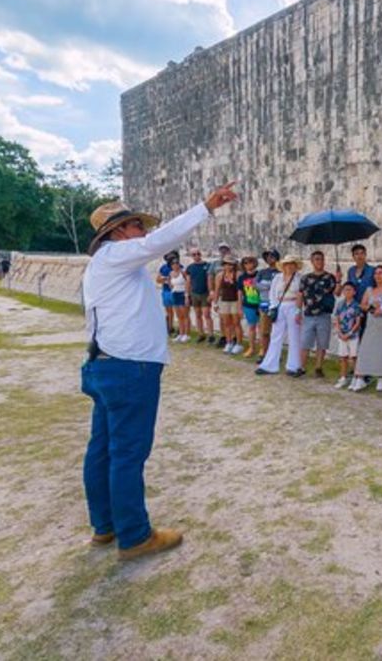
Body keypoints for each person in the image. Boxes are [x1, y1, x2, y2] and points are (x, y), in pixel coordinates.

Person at [80, 183, 237, 561]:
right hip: (128, 367)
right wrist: (206, 207)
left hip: (107, 364)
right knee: (127, 454)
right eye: (136, 226)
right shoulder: (116, 254)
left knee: (102, 450)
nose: (144, 232)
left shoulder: (110, 264)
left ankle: (106, 526)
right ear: (117, 232)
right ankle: (134, 535)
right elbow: (158, 242)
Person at [256, 255, 304, 376]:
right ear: (283, 266)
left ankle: (293, 366)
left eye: (291, 264)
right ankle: (270, 365)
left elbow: (301, 295)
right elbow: (272, 293)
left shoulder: (299, 278)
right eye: (287, 264)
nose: (289, 266)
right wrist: (273, 307)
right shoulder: (277, 278)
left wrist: (299, 310)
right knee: (276, 335)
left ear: (295, 266)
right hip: (280, 305)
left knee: (294, 336)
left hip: (293, 306)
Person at [354, 265, 382, 392]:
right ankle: (360, 378)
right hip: (372, 322)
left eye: (380, 273)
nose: (378, 276)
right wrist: (372, 308)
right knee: (365, 349)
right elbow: (362, 304)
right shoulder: (369, 290)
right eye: (376, 273)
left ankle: (381, 378)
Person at [300, 250, 338, 379]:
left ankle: (318, 368)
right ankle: (302, 367)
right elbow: (300, 295)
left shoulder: (330, 277)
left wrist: (338, 281)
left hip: (324, 314)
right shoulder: (305, 278)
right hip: (309, 314)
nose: (319, 262)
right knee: (305, 342)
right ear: (312, 261)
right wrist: (297, 311)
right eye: (316, 259)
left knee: (322, 343)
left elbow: (337, 293)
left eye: (321, 259)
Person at [333, 281, 364, 389]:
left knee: (354, 357)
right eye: (345, 289)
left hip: (353, 335)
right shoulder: (340, 304)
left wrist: (350, 333)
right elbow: (336, 318)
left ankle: (357, 378)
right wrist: (339, 332)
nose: (347, 292)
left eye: (350, 290)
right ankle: (343, 377)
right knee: (343, 357)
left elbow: (358, 321)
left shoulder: (356, 305)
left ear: (354, 292)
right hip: (342, 334)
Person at [207, 243, 236, 348]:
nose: (223, 251)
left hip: (233, 295)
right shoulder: (215, 264)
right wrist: (211, 292)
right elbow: (210, 277)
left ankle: (233, 337)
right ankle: (224, 336)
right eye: (221, 249)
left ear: (229, 250)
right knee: (222, 318)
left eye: (225, 249)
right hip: (220, 294)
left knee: (233, 318)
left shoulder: (235, 263)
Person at [255, 249, 281, 356]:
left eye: (272, 256)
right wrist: (269, 286)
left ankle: (275, 354)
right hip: (264, 303)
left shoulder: (281, 273)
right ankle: (264, 352)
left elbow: (279, 288)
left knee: (276, 332)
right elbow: (255, 285)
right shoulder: (262, 272)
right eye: (268, 256)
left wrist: (266, 286)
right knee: (264, 331)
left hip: (277, 304)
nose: (270, 258)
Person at [215, 258, 243, 353]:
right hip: (224, 301)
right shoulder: (220, 275)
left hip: (235, 301)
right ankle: (229, 342)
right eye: (226, 264)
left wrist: (240, 304)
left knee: (236, 323)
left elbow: (241, 290)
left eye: (231, 264)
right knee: (226, 323)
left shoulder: (238, 275)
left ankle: (238, 343)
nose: (228, 266)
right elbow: (217, 290)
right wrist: (215, 303)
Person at [237, 256, 262, 357]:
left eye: (250, 262)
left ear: (254, 263)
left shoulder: (260, 275)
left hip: (260, 304)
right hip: (248, 305)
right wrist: (240, 307)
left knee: (261, 328)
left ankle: (263, 348)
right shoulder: (242, 277)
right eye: (245, 263)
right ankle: (251, 348)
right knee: (251, 327)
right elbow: (239, 293)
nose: (248, 265)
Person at [165, 256, 190, 341]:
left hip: (182, 293)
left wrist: (186, 295)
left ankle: (186, 334)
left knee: (185, 315)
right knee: (179, 316)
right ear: (171, 266)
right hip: (175, 294)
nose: (175, 265)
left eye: (177, 263)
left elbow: (187, 283)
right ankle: (181, 333)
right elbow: (169, 281)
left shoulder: (183, 272)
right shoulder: (171, 273)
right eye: (173, 264)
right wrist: (171, 287)